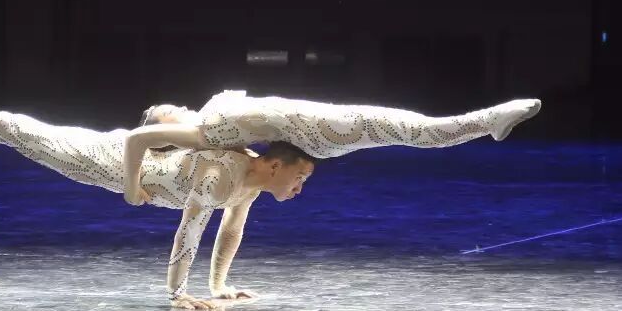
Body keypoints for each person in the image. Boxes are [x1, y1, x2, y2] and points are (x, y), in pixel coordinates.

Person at [0, 101, 316, 310]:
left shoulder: (249, 185)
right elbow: (190, 230)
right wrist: (177, 293)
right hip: (110, 160)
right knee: (26, 135)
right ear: (275, 165)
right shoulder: (221, 174)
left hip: (134, 161)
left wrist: (218, 287)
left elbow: (230, 230)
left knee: (30, 138)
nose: (299, 188)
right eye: (299, 177)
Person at [121, 89, 541, 206]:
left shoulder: (212, 122)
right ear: (165, 133)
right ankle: (491, 119)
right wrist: (131, 188)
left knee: (416, 131)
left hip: (317, 127)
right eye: (167, 112)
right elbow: (136, 140)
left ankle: (490, 121)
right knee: (418, 132)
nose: (178, 107)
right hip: (319, 130)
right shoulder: (200, 133)